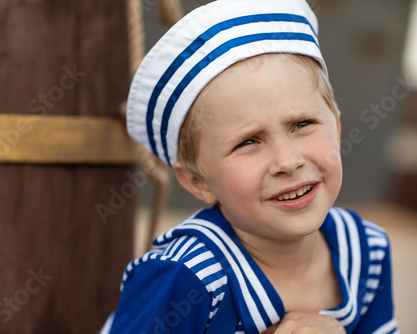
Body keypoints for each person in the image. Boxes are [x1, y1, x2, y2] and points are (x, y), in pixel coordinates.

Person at [101, 0, 398, 333]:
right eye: (248, 142)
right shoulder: (185, 278)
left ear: (337, 127)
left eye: (302, 124)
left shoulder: (366, 250)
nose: (287, 162)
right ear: (198, 181)